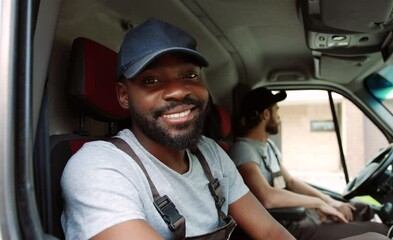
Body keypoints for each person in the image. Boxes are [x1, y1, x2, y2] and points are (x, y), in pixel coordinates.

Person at [60, 18, 294, 240]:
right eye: (151, 80)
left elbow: (270, 232)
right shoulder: (98, 166)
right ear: (124, 96)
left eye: (190, 75)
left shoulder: (211, 153)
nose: (179, 91)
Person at [229, 87, 390, 240]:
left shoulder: (268, 145)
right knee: (380, 232)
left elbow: (290, 181)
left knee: (361, 209)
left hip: (297, 214)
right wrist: (318, 203)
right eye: (276, 111)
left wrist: (329, 201)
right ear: (265, 114)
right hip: (284, 224)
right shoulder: (243, 149)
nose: (279, 117)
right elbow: (267, 197)